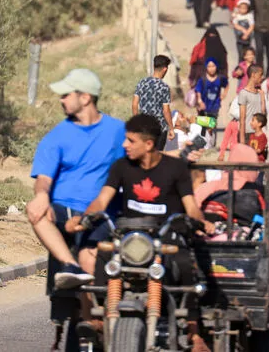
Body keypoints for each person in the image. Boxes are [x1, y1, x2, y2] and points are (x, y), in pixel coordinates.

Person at [65, 114, 213, 352]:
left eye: (131, 140)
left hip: (166, 235)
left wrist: (201, 221)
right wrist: (84, 219)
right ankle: (99, 319)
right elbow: (102, 200)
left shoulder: (175, 168)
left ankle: (194, 333)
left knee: (187, 265)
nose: (125, 145)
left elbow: (191, 205)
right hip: (130, 235)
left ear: (149, 144)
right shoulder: (122, 166)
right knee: (104, 256)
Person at [28, 69, 126, 288]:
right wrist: (41, 195)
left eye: (66, 95)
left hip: (101, 213)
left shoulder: (118, 131)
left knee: (90, 263)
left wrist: (182, 154)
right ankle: (69, 265)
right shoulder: (56, 136)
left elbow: (143, 158)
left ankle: (93, 305)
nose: (61, 100)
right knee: (35, 209)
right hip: (63, 211)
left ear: (85, 98)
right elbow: (43, 178)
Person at [132, 55, 174, 134]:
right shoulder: (164, 87)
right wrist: (171, 128)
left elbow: (134, 104)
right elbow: (166, 111)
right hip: (159, 128)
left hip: (144, 126)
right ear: (165, 69)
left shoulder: (142, 82)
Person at [234, 65, 267, 149]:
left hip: (258, 133)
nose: (262, 77)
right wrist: (242, 140)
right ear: (253, 75)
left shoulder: (260, 93)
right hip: (247, 134)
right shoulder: (243, 93)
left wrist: (263, 99)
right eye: (260, 74)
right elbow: (242, 118)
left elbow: (263, 115)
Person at [193, 58, 229, 128]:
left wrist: (224, 94)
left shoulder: (220, 78)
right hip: (204, 106)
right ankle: (204, 131)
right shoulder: (202, 79)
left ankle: (210, 133)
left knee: (212, 125)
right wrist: (200, 101)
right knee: (202, 126)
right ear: (206, 67)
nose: (211, 68)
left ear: (216, 66)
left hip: (215, 105)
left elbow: (227, 85)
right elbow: (198, 90)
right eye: (209, 66)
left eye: (213, 66)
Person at [230, 1, 255, 66]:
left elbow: (252, 26)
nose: (243, 10)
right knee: (241, 55)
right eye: (241, 8)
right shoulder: (237, 16)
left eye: (245, 8)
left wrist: (247, 33)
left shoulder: (249, 16)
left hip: (247, 39)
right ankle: (241, 67)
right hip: (239, 39)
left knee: (248, 54)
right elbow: (235, 24)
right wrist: (242, 29)